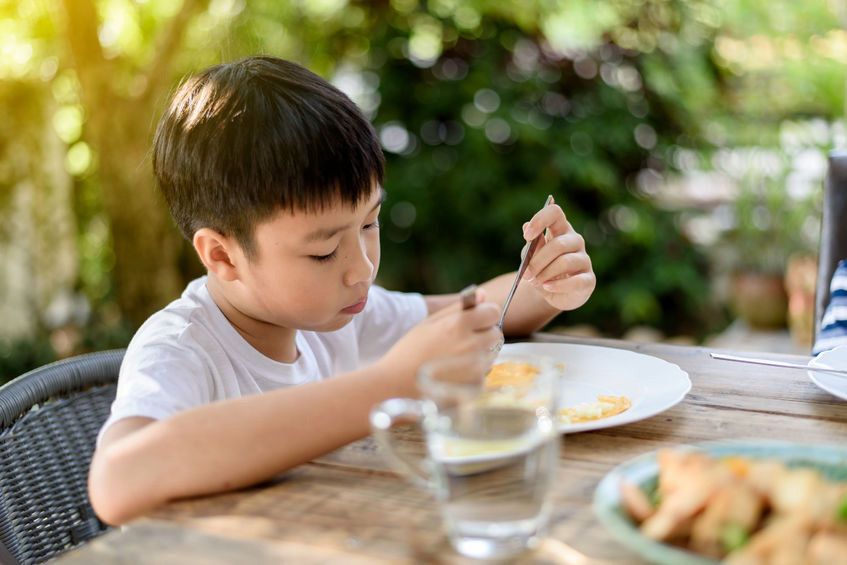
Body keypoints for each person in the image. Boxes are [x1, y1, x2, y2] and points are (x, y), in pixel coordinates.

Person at [88, 56, 596, 525]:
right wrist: (389, 384)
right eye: (324, 251)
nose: (363, 269)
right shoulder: (181, 349)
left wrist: (544, 282)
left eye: (370, 224)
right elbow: (118, 480)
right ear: (222, 256)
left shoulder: (338, 316)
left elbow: (476, 315)